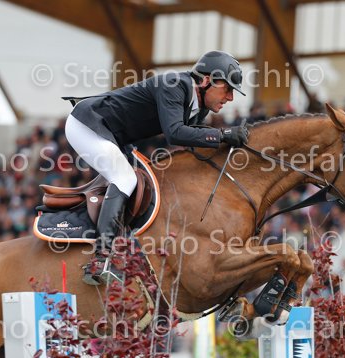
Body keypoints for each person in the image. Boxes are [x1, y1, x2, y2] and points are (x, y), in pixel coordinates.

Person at [64, 50, 249, 285]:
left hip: (115, 137)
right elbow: (175, 133)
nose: (230, 97)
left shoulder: (199, 106)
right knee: (125, 179)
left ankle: (127, 249)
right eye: (228, 89)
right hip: (87, 124)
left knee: (147, 183)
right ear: (206, 80)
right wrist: (223, 135)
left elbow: (196, 140)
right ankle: (101, 259)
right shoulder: (175, 84)